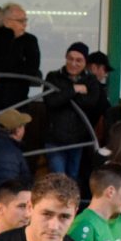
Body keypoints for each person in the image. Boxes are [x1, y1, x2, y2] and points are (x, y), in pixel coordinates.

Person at [0, 3, 41, 141]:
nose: (24, 24)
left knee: (14, 141)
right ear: (6, 21)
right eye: (20, 21)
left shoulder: (30, 40)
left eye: (25, 20)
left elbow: (31, 69)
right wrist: (9, 35)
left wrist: (0, 75)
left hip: (17, 103)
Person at [44, 43, 102, 179]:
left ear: (85, 62)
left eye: (78, 60)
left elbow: (90, 103)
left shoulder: (91, 80)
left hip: (78, 139)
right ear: (65, 58)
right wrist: (75, 89)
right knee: (58, 178)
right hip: (55, 138)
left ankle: (70, 202)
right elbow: (51, 102)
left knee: (72, 178)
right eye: (70, 58)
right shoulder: (53, 77)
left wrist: (64, 96)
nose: (73, 63)